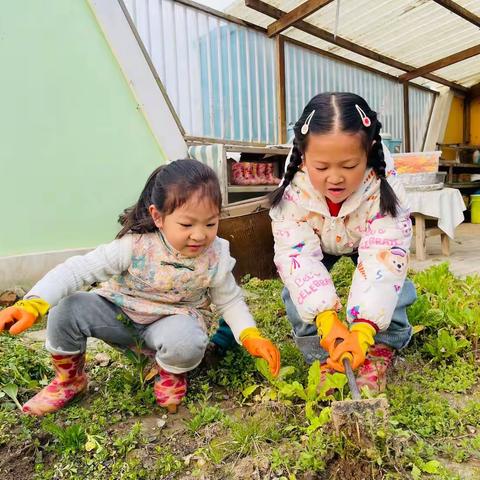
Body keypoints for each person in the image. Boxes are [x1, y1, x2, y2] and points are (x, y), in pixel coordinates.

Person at [0, 159, 280, 415]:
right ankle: (69, 380)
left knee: (188, 340)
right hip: (120, 317)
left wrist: (250, 335)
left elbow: (230, 301)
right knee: (66, 309)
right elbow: (77, 270)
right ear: (158, 217)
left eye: (211, 223)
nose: (199, 234)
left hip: (172, 323)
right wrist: (33, 303)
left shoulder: (215, 256)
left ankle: (169, 373)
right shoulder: (134, 246)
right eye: (186, 224)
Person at [269, 92, 416, 393]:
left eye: (349, 166)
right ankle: (325, 351)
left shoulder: (386, 185)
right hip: (317, 239)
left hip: (367, 236)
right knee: (298, 291)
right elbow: (297, 257)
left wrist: (363, 329)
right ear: (303, 155)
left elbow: (384, 256)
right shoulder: (292, 190)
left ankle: (381, 344)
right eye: (321, 168)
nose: (334, 178)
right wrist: (325, 317)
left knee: (393, 283)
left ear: (369, 151)